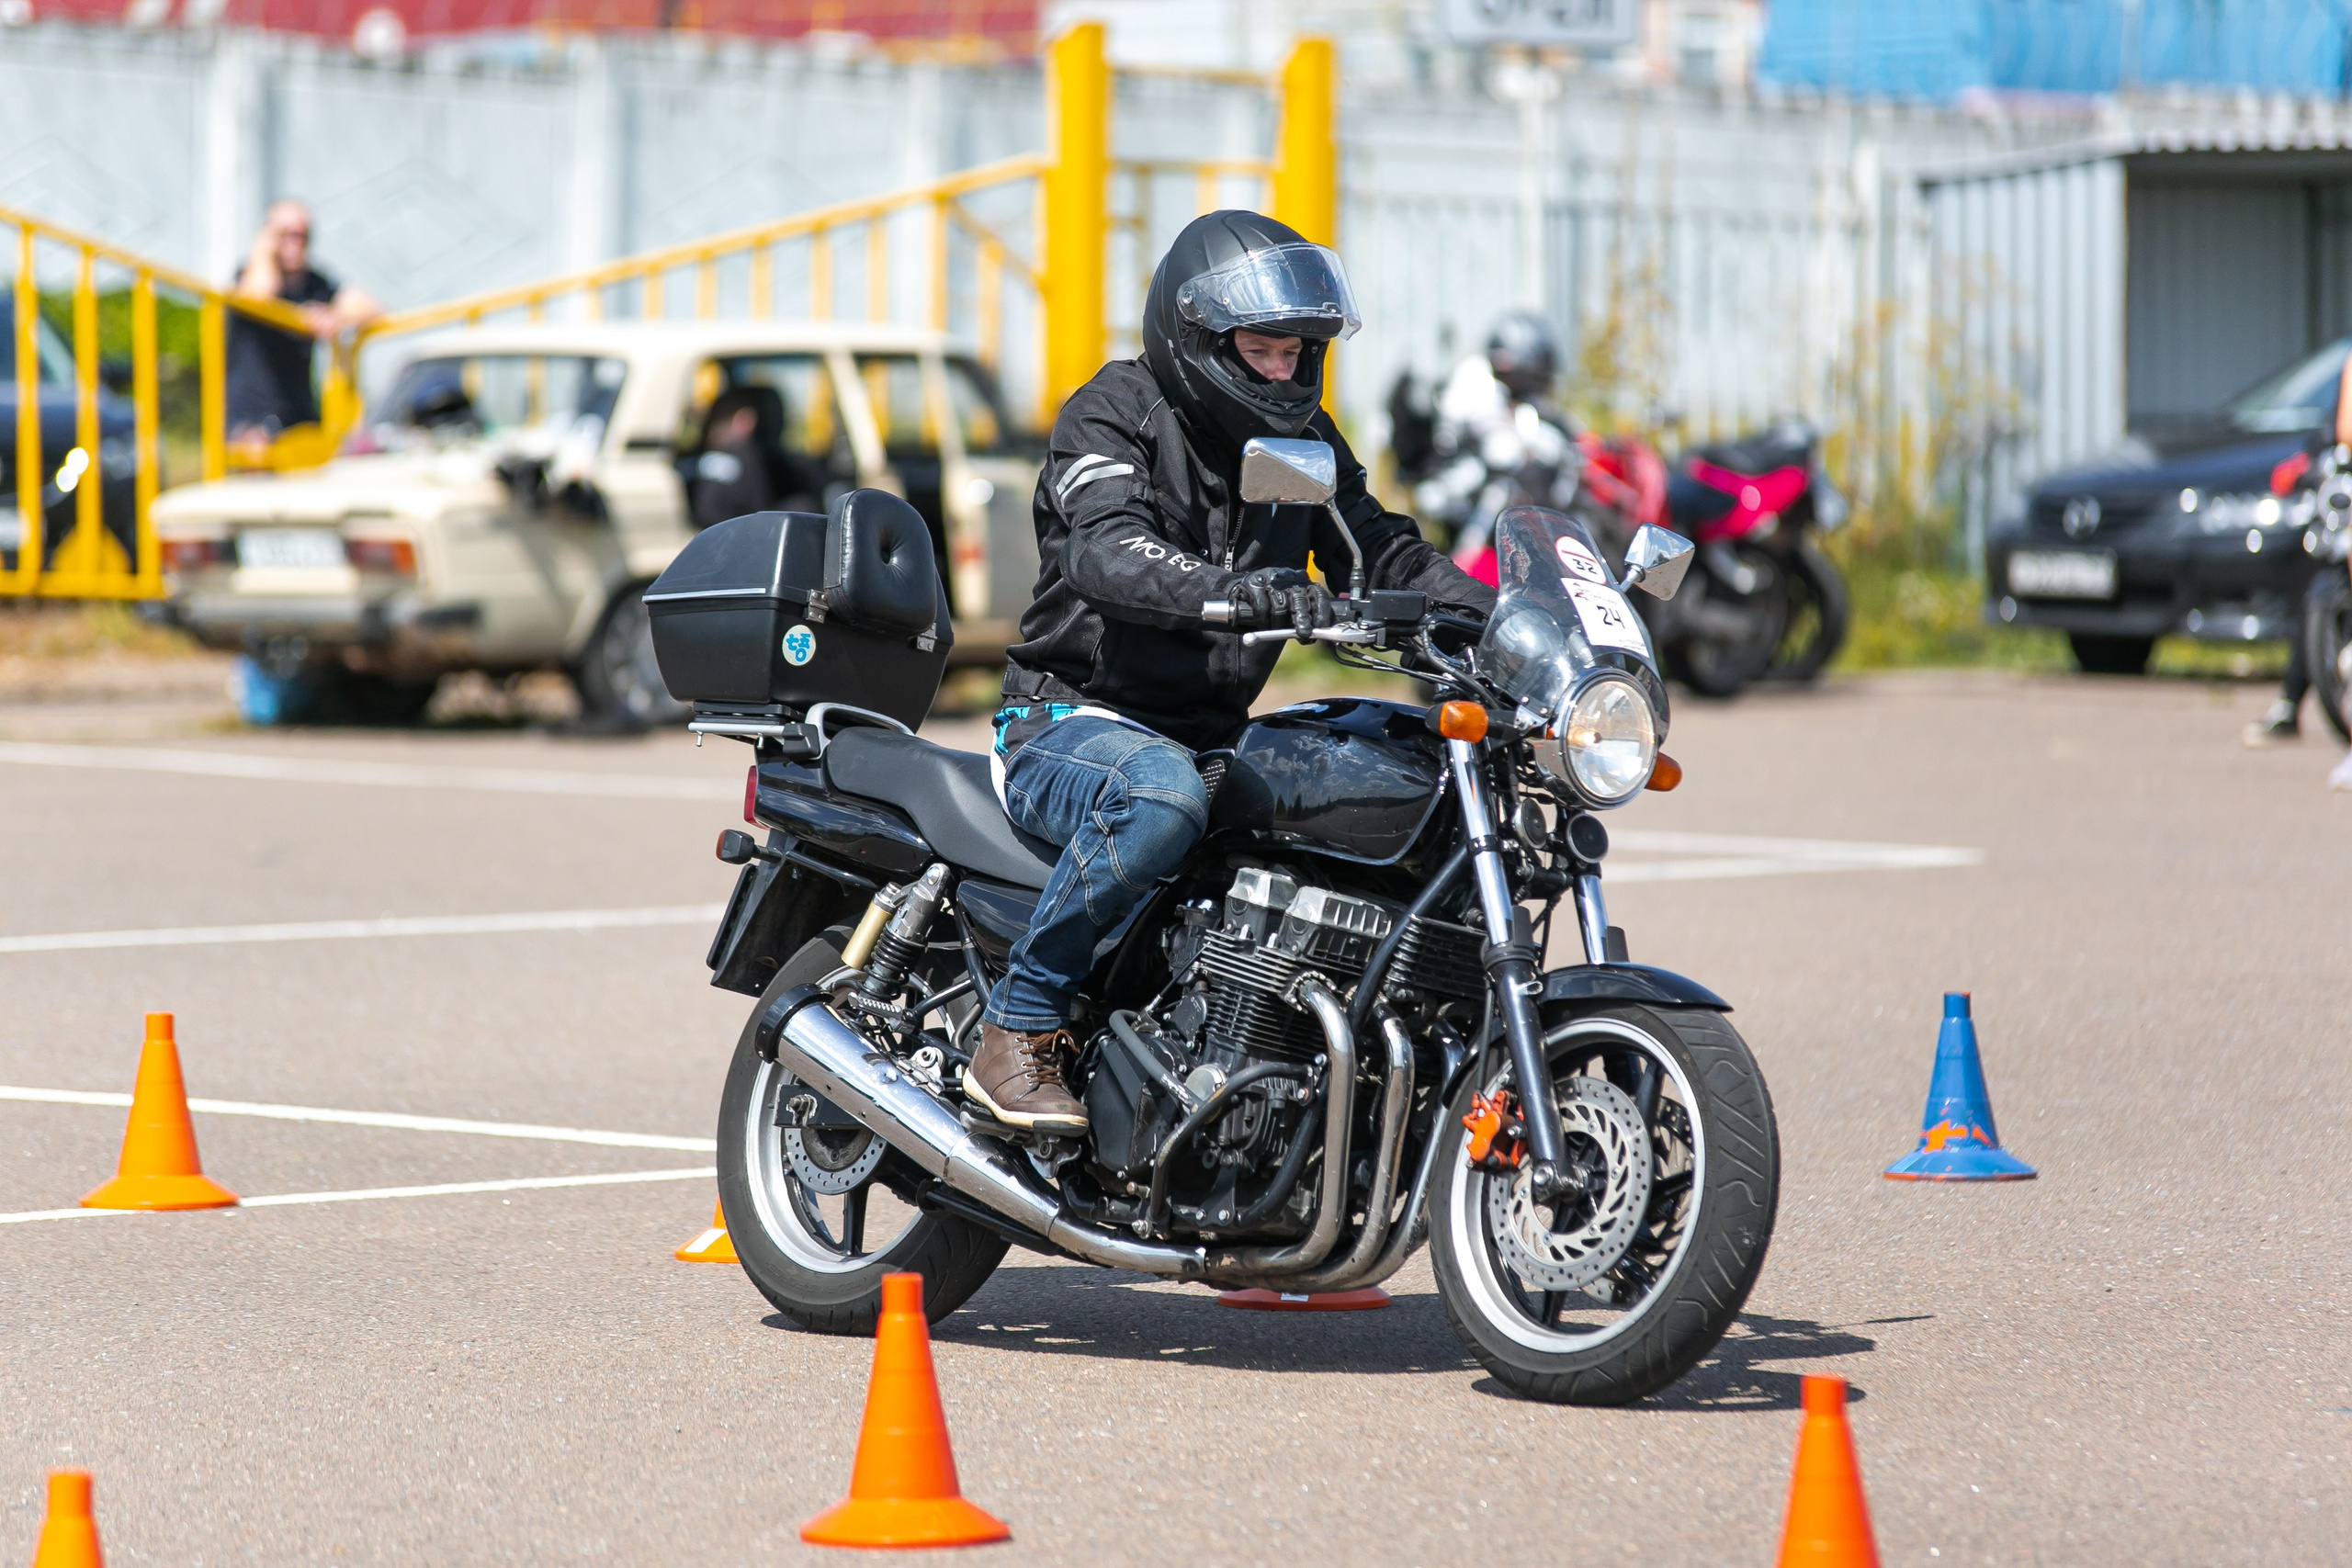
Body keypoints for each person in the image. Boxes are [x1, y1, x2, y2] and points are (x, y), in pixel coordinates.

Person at [961, 210, 1496, 1134]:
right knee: (1161, 798)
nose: (1284, 369)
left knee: (1397, 787)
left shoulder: (1304, 444)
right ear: (1196, 336)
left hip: (1209, 733)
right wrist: (1236, 591)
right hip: (1070, 722)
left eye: (1298, 350)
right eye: (1261, 347)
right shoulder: (1113, 411)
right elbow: (1105, 551)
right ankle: (1019, 1022)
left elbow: (1380, 552)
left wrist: (1512, 621)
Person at [226, 200, 379, 447]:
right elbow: (260, 294)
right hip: (250, 420)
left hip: (300, 417)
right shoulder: (250, 273)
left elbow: (369, 305)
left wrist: (335, 316)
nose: (295, 243)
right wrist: (263, 248)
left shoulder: (314, 283)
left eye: (302, 236)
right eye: (285, 234)